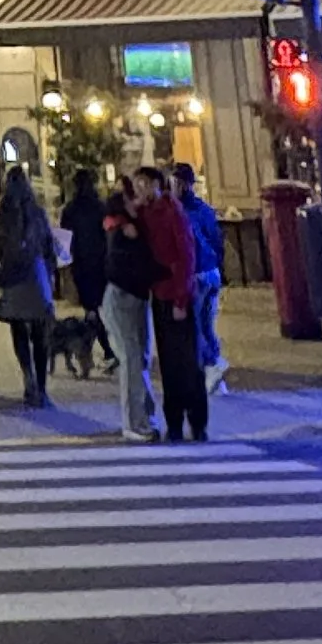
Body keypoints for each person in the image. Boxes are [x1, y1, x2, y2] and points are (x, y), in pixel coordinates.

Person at [136, 164, 209, 442]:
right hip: (160, 294)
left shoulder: (171, 212)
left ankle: (197, 422)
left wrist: (181, 297)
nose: (141, 189)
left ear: (158, 184)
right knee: (168, 363)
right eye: (138, 184)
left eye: (145, 183)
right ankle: (175, 422)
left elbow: (186, 256)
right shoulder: (147, 213)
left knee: (187, 362)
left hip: (178, 296)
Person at [0, 161, 58, 406]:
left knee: (18, 329)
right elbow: (48, 243)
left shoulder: (0, 212)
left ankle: (28, 377)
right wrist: (50, 272)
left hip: (12, 273)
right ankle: (41, 386)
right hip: (35, 273)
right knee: (40, 332)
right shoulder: (36, 211)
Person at [100, 177, 159, 439]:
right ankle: (133, 423)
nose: (140, 198)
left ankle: (144, 415)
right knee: (132, 359)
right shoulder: (121, 226)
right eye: (134, 194)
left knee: (140, 358)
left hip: (136, 297)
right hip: (122, 296)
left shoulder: (131, 224)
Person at [174, 159, 227, 395]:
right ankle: (216, 376)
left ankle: (212, 365)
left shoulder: (179, 210)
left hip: (195, 272)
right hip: (211, 270)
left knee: (194, 326)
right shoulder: (205, 209)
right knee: (207, 324)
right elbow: (216, 239)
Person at [59, 167, 111, 375]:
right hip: (101, 264)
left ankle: (107, 350)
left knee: (91, 310)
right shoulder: (101, 208)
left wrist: (65, 270)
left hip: (82, 265)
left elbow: (63, 243)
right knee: (101, 309)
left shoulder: (70, 210)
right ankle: (108, 349)